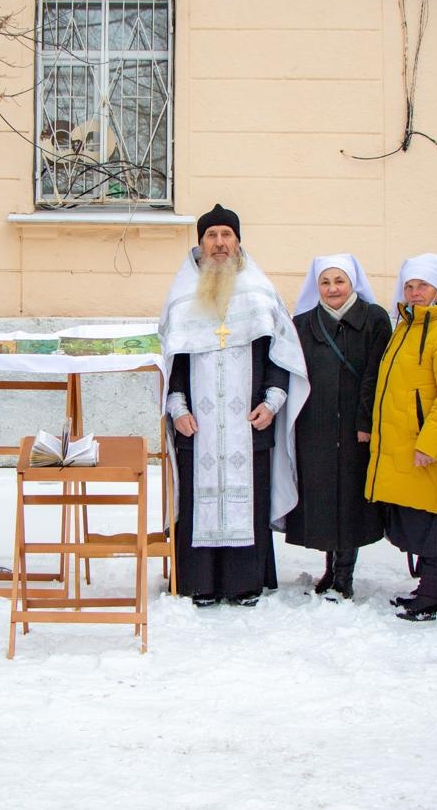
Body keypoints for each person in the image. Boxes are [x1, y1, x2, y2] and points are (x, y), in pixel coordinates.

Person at [158, 204, 309, 607]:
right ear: (200, 244)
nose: (220, 243)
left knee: (249, 500)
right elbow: (175, 360)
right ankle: (199, 584)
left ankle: (245, 584)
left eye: (227, 235)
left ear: (238, 242)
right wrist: (178, 407)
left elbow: (279, 353)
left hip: (249, 422)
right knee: (197, 502)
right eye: (212, 236)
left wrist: (272, 401)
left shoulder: (259, 292)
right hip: (198, 425)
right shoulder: (182, 295)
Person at [365, 254, 437, 621]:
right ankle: (427, 586)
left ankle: (432, 595)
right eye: (409, 286)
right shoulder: (407, 325)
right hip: (401, 443)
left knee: (431, 519)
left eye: (422, 286)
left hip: (426, 445)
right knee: (416, 518)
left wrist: (430, 443)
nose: (414, 293)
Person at [286, 254, 390, 601]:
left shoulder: (374, 320)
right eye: (326, 282)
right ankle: (329, 567)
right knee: (323, 497)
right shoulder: (303, 323)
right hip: (315, 425)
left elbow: (376, 374)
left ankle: (345, 574)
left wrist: (366, 422)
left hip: (354, 427)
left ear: (353, 283)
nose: (333, 289)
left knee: (350, 498)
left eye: (339, 281)